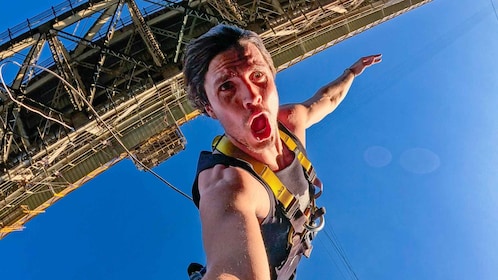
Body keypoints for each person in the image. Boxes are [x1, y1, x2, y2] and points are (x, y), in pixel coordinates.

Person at [183, 24, 381, 280]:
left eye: (257, 76)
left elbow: (328, 98)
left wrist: (351, 72)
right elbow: (231, 272)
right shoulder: (227, 185)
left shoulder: (291, 122)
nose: (251, 96)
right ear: (209, 109)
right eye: (227, 87)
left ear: (273, 76)